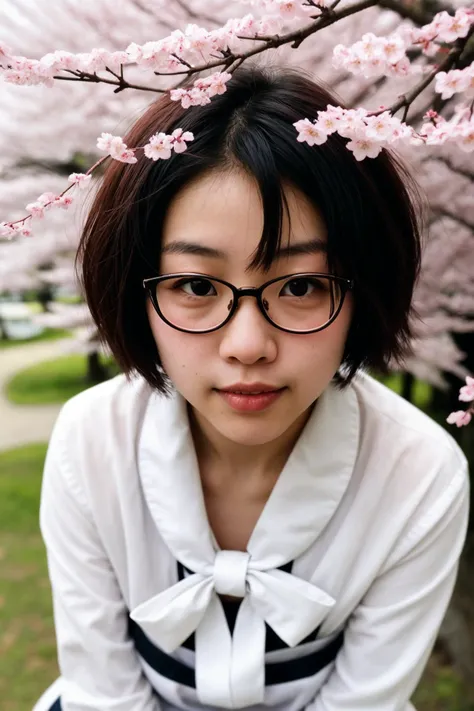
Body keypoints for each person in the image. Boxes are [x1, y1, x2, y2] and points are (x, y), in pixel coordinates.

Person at [33, 63, 469, 711]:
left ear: (361, 291)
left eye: (299, 286)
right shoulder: (91, 443)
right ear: (137, 291)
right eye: (197, 286)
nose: (246, 345)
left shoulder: (418, 476)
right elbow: (104, 693)